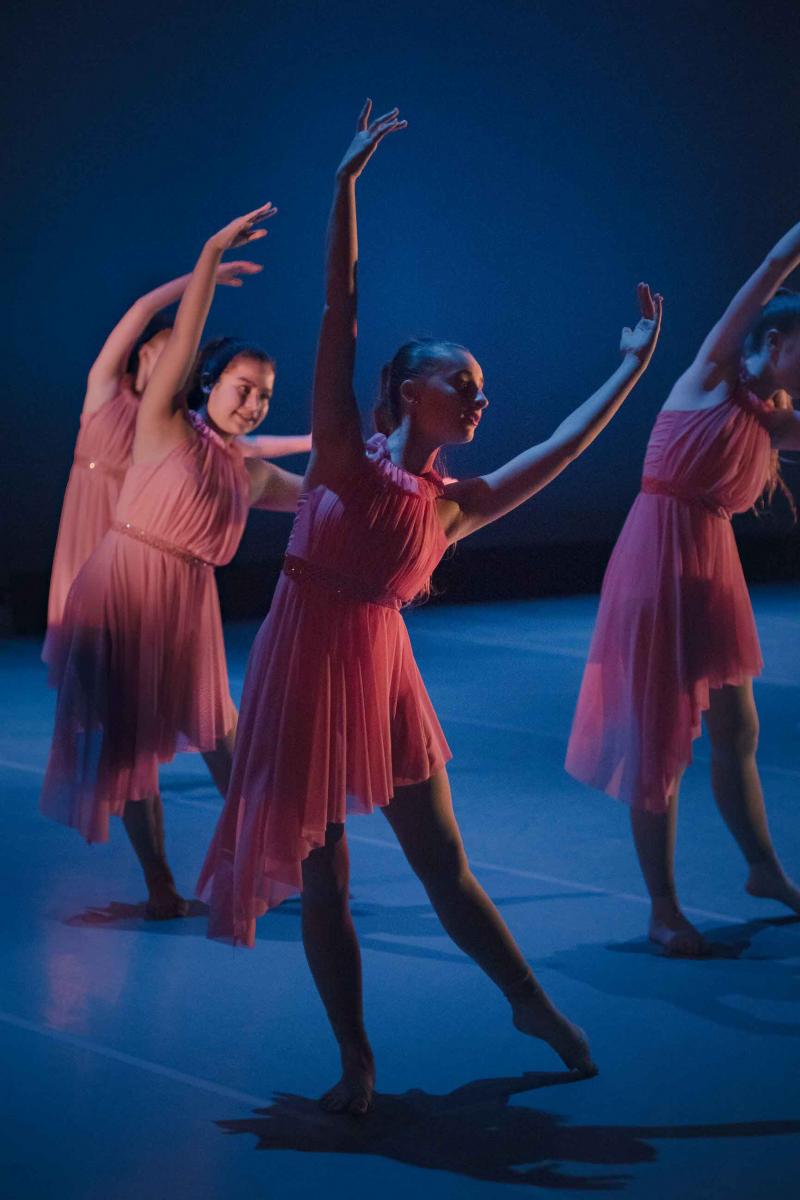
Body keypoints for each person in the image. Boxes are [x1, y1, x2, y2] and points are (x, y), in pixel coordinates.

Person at [198, 102, 662, 1114]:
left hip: (381, 668)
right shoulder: (342, 461)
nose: (480, 397)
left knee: (443, 861)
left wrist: (629, 367)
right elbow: (340, 312)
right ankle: (356, 1062)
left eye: (482, 388)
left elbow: (564, 449)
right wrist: (344, 188)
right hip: (306, 659)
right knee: (326, 877)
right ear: (410, 391)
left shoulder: (450, 507)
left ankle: (528, 1002)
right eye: (464, 382)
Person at [41, 201, 303, 919]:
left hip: (188, 602)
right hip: (124, 587)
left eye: (265, 396)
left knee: (225, 734)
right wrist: (209, 260)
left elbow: (321, 492)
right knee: (130, 750)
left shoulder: (247, 472)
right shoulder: (161, 427)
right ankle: (162, 888)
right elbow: (180, 338)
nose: (254, 404)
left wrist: (392, 465)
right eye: (243, 389)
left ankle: (263, 864)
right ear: (207, 383)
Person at [566, 221, 800, 957]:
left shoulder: (771, 420)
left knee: (738, 731)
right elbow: (772, 264)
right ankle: (663, 911)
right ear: (773, 342)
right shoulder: (711, 376)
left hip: (711, 566)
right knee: (658, 742)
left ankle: (763, 870)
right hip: (659, 559)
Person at [44, 269, 311, 668]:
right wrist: (205, 274)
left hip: (140, 515)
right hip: (92, 514)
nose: (177, 362)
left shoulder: (175, 424)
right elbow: (141, 309)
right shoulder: (106, 390)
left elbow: (240, 448)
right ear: (146, 351)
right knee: (87, 637)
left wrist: (307, 442)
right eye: (168, 351)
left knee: (125, 644)